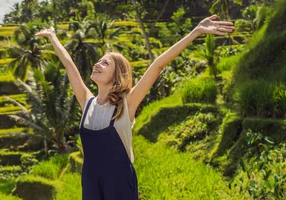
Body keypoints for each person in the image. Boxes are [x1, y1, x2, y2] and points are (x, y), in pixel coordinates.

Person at [35, 15, 235, 200]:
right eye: (98, 61)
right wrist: (52, 37)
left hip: (120, 184)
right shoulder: (86, 102)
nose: (97, 64)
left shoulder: (127, 104)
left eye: (105, 63)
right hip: (90, 184)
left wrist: (196, 32)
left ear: (116, 76)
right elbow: (69, 65)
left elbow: (157, 65)